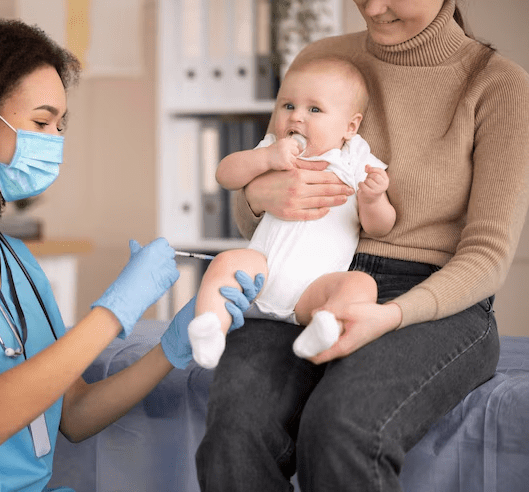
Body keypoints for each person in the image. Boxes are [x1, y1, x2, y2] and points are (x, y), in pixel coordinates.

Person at [0, 19, 260, 492]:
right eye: (41, 122)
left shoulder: (18, 262)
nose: (54, 140)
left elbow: (75, 413)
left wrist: (173, 343)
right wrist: (116, 309)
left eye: (60, 125)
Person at [195, 0, 529, 490]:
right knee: (234, 430)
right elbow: (265, 195)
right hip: (312, 280)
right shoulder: (323, 59)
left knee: (341, 427)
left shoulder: (498, 86)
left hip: (433, 299)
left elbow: (488, 256)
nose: (373, 7)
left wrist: (391, 315)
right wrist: (257, 197)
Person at [188, 56, 395, 369]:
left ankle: (325, 326)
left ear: (350, 126)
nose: (296, 117)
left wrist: (373, 199)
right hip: (259, 275)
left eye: (314, 109)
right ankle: (210, 329)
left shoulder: (355, 159)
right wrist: (266, 159)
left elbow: (381, 227)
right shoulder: (273, 147)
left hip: (313, 291)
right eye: (287, 106)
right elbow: (224, 174)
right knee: (226, 262)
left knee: (361, 285)